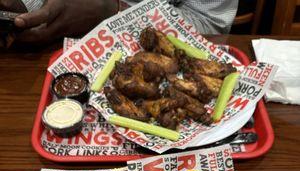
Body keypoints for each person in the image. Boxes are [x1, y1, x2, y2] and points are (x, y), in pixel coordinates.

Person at [0, 0, 238, 44]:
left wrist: (115, 12)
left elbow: (209, 24)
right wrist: (23, 8)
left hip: (150, 54)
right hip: (46, 58)